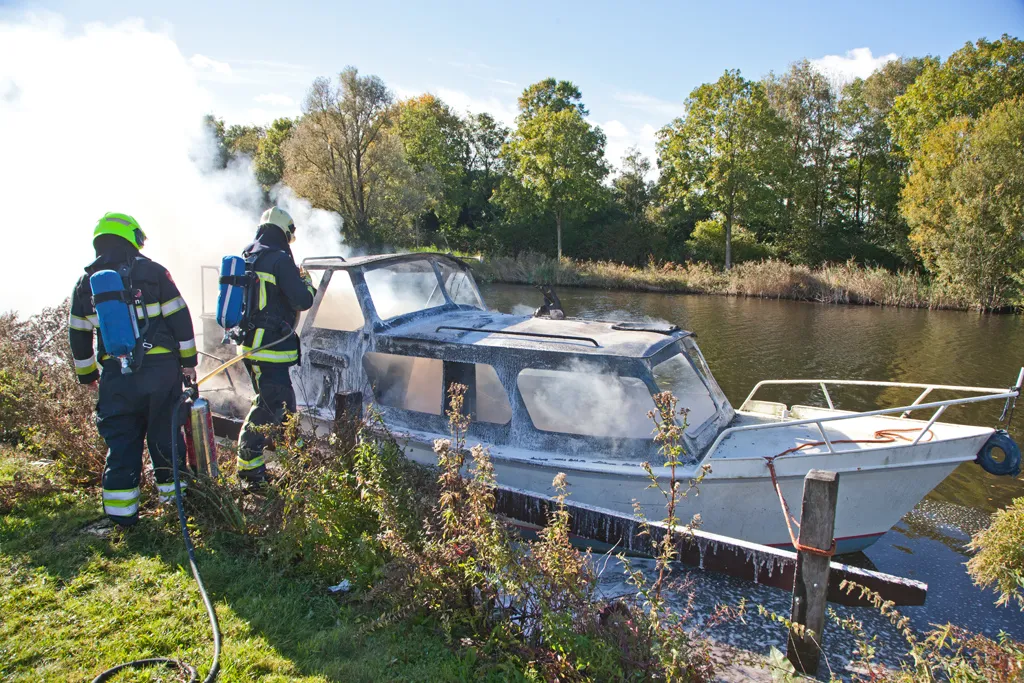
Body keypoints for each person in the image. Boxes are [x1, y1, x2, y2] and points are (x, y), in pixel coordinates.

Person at [69, 213, 198, 527]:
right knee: (166, 439)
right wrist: (189, 363)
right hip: (160, 374)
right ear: (133, 238)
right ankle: (175, 509)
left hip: (116, 379)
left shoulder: (86, 284)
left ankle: (121, 517)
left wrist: (88, 376)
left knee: (122, 444)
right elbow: (180, 317)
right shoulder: (154, 273)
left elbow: (78, 333)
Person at [236, 206, 316, 486]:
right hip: (268, 349)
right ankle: (248, 470)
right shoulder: (279, 260)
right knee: (268, 407)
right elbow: (303, 301)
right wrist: (307, 282)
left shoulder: (250, 256)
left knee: (285, 404)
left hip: (254, 346)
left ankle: (294, 460)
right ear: (284, 231)